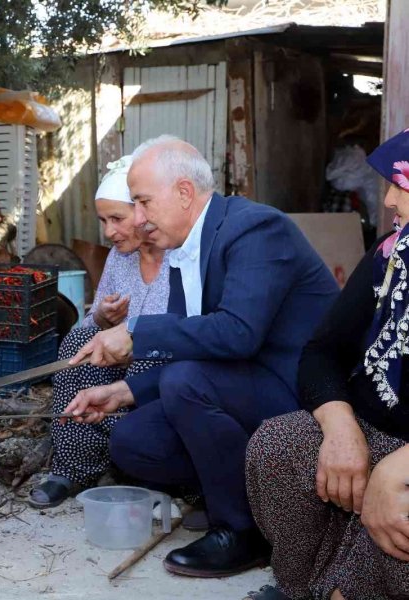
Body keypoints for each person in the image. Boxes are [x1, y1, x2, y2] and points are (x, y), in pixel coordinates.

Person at [63, 135, 340, 577]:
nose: (137, 218)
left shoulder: (255, 229)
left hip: (303, 393)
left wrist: (135, 330)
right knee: (133, 443)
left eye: (142, 203)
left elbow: (238, 334)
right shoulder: (183, 250)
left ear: (185, 193)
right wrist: (122, 391)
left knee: (184, 383)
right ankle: (237, 492)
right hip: (244, 384)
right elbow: (195, 347)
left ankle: (242, 531)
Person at [245, 130, 409, 600]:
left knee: (398, 524)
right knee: (277, 447)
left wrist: (394, 470)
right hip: (374, 427)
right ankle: (301, 586)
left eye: (402, 185)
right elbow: (322, 351)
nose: (391, 199)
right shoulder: (390, 255)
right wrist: (341, 428)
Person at [28, 156, 170, 509]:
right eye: (103, 221)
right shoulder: (119, 258)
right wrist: (102, 317)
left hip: (162, 360)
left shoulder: (180, 256)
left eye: (117, 219)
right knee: (77, 342)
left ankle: (144, 473)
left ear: (144, 213)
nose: (109, 232)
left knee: (148, 361)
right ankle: (74, 465)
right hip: (117, 355)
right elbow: (92, 324)